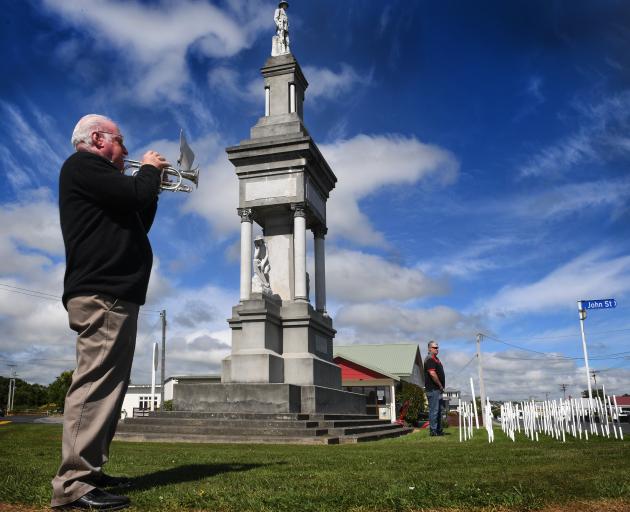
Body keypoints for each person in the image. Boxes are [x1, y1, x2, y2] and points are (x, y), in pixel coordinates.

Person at [51, 114, 169, 510]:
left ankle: (90, 472)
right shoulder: (83, 165)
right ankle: (74, 485)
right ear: (98, 139)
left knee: (110, 389)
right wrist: (149, 172)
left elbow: (138, 218)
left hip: (116, 293)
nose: (128, 150)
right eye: (121, 141)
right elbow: (134, 195)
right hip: (103, 293)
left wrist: (153, 186)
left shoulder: (103, 180)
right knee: (95, 384)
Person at [424, 340, 445, 436]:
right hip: (433, 389)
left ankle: (439, 430)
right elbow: (432, 373)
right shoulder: (430, 359)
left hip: (437, 390)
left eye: (437, 347)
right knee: (434, 411)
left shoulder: (436, 359)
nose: (437, 349)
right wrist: (440, 385)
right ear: (429, 349)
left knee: (439, 411)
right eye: (435, 347)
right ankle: (433, 431)